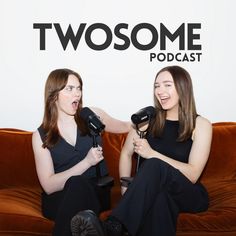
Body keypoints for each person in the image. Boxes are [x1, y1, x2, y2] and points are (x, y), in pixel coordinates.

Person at [71, 65, 212, 236]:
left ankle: (112, 226)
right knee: (160, 200)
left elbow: (193, 174)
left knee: (153, 164)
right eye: (156, 86)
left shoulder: (201, 125)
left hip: (189, 193)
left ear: (183, 87)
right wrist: (125, 187)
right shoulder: (147, 121)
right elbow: (126, 153)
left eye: (167, 85)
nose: (160, 91)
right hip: (159, 193)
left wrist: (152, 154)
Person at [32, 68, 131, 236]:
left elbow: (126, 127)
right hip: (59, 198)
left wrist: (155, 120)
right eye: (70, 89)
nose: (76, 94)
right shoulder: (41, 135)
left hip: (95, 192)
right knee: (76, 184)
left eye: (79, 88)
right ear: (54, 94)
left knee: (80, 186)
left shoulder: (93, 116)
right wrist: (86, 162)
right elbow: (49, 186)